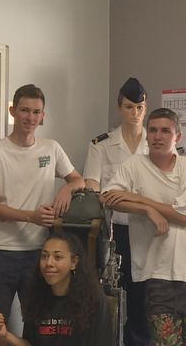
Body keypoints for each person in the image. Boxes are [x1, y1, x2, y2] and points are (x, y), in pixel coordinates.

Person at [0, 84, 85, 345]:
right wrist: (31, 216)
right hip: (0, 251)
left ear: (43, 115)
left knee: (40, 322)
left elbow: (79, 180)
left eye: (36, 112)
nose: (30, 117)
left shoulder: (51, 148)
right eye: (25, 110)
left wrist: (67, 190)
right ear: (13, 111)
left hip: (39, 253)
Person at [101, 108, 186, 345]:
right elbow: (108, 196)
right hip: (155, 273)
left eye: (165, 131)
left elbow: (183, 217)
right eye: (153, 130)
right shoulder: (134, 165)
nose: (158, 136)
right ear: (146, 136)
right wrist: (146, 211)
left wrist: (140, 199)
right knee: (165, 342)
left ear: (177, 137)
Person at [82, 76, 150, 345]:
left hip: (149, 231)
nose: (135, 113)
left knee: (143, 298)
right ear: (119, 108)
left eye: (140, 108)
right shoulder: (102, 145)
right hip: (115, 231)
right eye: (129, 107)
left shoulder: (155, 144)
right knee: (113, 295)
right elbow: (93, 189)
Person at [0, 232, 115, 346]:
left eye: (57, 257)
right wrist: (6, 335)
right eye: (44, 256)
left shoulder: (94, 301)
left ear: (74, 262)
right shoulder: (35, 298)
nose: (48, 263)